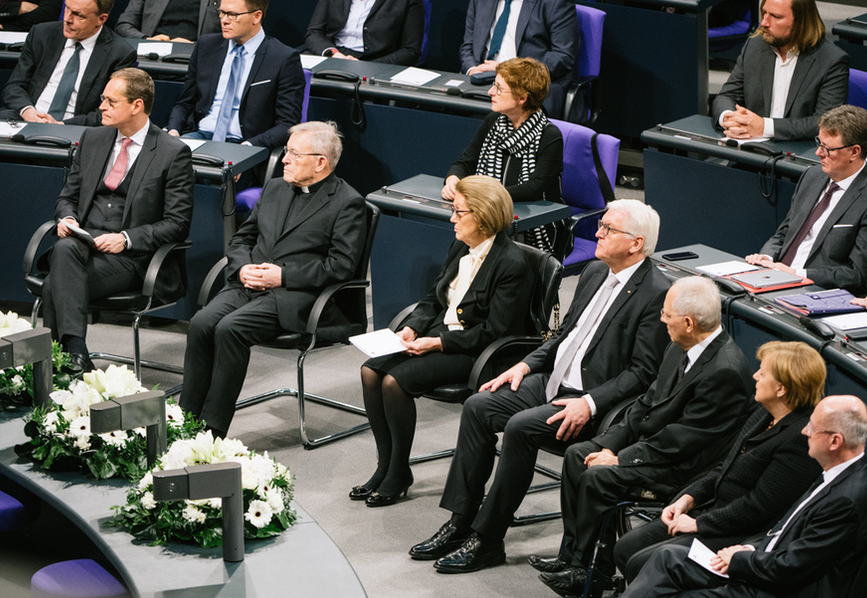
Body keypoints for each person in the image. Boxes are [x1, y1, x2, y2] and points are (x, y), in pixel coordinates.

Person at [409, 199, 671, 573]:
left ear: (636, 243)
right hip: (554, 381)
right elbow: (564, 336)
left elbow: (643, 372)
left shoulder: (655, 292)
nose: (597, 233)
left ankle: (488, 539)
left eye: (608, 229)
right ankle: (460, 521)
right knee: (479, 407)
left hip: (590, 401)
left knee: (520, 428)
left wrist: (591, 403)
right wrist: (524, 364)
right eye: (601, 225)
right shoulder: (596, 272)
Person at [591, 395, 867, 598]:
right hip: (763, 566)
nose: (804, 431)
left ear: (835, 441)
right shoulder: (837, 474)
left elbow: (793, 568)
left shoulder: (847, 499)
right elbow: (786, 530)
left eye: (813, 427)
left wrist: (742, 560)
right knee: (668, 558)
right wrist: (749, 549)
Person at [532, 276, 755, 598]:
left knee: (599, 477)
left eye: (666, 315)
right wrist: (607, 442)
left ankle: (593, 573)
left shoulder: (725, 372)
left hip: (682, 467)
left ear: (689, 323)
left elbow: (682, 440)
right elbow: (646, 404)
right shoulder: (680, 346)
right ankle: (572, 556)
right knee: (579, 454)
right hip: (656, 449)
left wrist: (620, 458)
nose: (662, 320)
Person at [179, 121, 368, 438]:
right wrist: (242, 268)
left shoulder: (347, 202)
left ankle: (211, 431)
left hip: (294, 297)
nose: (284, 159)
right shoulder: (275, 187)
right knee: (201, 323)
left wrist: (282, 276)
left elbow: (340, 266)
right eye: (286, 151)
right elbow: (242, 240)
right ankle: (185, 420)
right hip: (248, 283)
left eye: (293, 153)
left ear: (320, 161)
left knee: (230, 329)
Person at [355, 176, 533, 508]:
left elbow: (495, 332)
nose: (452, 218)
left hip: (474, 351)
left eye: (459, 212)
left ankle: (398, 472)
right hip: (437, 334)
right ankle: (384, 465)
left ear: (481, 217)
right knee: (370, 371)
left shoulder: (512, 264)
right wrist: (412, 329)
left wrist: (437, 343)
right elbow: (433, 300)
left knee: (395, 382)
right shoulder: (459, 246)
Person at [614, 341, 825, 583]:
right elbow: (726, 466)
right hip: (712, 510)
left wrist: (698, 525)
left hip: (737, 533)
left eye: (763, 373)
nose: (755, 375)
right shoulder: (764, 413)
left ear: (781, 389)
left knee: (644, 562)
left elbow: (759, 508)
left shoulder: (799, 438)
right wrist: (688, 498)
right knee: (626, 548)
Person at [42, 68, 194, 372]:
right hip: (83, 244)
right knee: (63, 248)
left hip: (132, 258)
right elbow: (67, 196)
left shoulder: (172, 152)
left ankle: (64, 361)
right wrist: (67, 217)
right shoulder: (93, 139)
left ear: (136, 106)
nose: (101, 107)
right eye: (102, 99)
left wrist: (125, 239)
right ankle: (76, 352)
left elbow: (177, 223)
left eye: (111, 101)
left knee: (53, 286)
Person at [744, 105, 867, 295]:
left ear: (854, 152)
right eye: (819, 143)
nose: (818, 153)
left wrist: (796, 273)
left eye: (828, 149)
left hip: (815, 291)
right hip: (775, 278)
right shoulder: (812, 176)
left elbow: (859, 275)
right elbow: (785, 231)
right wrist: (766, 257)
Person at [443, 57, 562, 251]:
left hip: (534, 225)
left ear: (522, 98)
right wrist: (453, 179)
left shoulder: (550, 136)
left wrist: (484, 197)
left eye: (498, 88)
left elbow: (534, 188)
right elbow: (466, 161)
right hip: (488, 214)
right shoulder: (493, 122)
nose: (491, 92)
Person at [166, 0, 305, 150]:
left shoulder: (283, 58)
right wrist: (174, 131)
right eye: (221, 12)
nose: (224, 20)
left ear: (257, 16)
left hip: (246, 142)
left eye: (232, 15)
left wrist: (248, 147)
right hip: (200, 134)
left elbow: (287, 124)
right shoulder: (206, 46)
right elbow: (184, 103)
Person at [711, 0, 849, 141]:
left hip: (797, 152)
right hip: (749, 147)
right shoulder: (755, 46)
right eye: (764, 13)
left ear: (800, 23)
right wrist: (729, 118)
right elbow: (726, 96)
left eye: (776, 17)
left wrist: (765, 127)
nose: (764, 22)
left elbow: (824, 123)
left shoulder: (831, 60)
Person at [0, 0, 136, 125]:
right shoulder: (41, 34)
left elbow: (111, 111)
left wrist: (61, 125)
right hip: (28, 119)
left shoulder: (119, 53)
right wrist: (28, 112)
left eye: (78, 15)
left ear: (101, 19)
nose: (67, 19)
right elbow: (14, 86)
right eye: (67, 8)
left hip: (75, 129)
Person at [459, 0, 578, 119]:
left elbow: (563, 56)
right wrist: (472, 70)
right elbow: (468, 45)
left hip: (524, 86)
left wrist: (507, 70)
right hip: (481, 81)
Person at [304, 0, 425, 66]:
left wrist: (366, 66)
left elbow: (410, 50)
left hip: (376, 61)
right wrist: (334, 54)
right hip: (335, 54)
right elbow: (314, 32)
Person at [114, 0, 221, 42]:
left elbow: (233, 34)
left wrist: (195, 46)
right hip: (151, 56)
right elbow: (123, 26)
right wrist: (147, 40)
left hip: (198, 59)